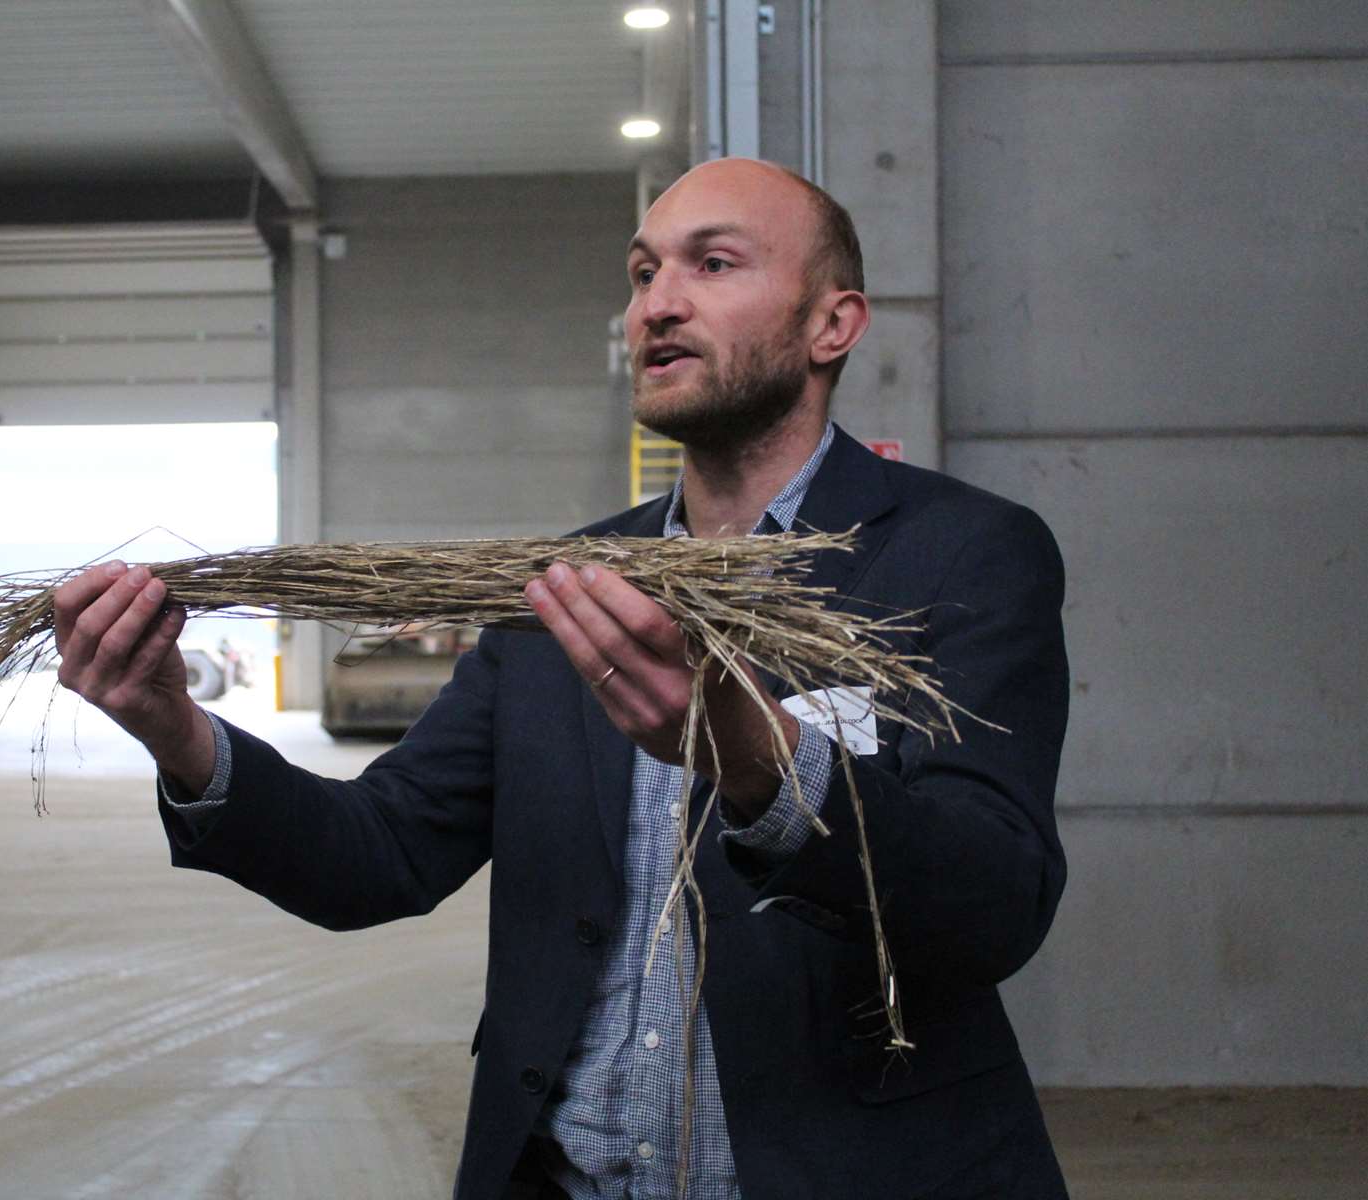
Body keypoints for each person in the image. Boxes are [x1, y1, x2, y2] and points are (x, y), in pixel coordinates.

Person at [53, 158, 1071, 1199]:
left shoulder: (960, 555)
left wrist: (765, 763)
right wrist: (178, 732)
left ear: (832, 324)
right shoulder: (561, 588)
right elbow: (379, 855)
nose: (656, 305)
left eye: (711, 264)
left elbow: (994, 902)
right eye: (640, 275)